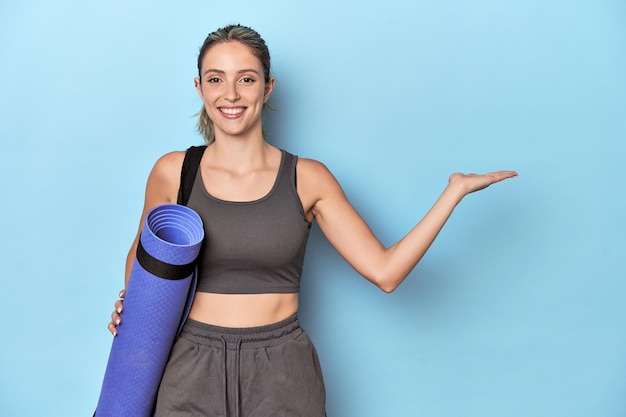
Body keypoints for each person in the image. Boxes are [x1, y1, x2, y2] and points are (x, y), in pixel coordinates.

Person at [107, 24, 517, 417]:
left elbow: (386, 272)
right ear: (199, 88)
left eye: (246, 79)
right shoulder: (172, 172)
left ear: (268, 87)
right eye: (215, 79)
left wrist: (454, 192)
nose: (230, 94)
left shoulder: (308, 178)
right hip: (190, 364)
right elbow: (143, 280)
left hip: (280, 367)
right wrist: (130, 311)